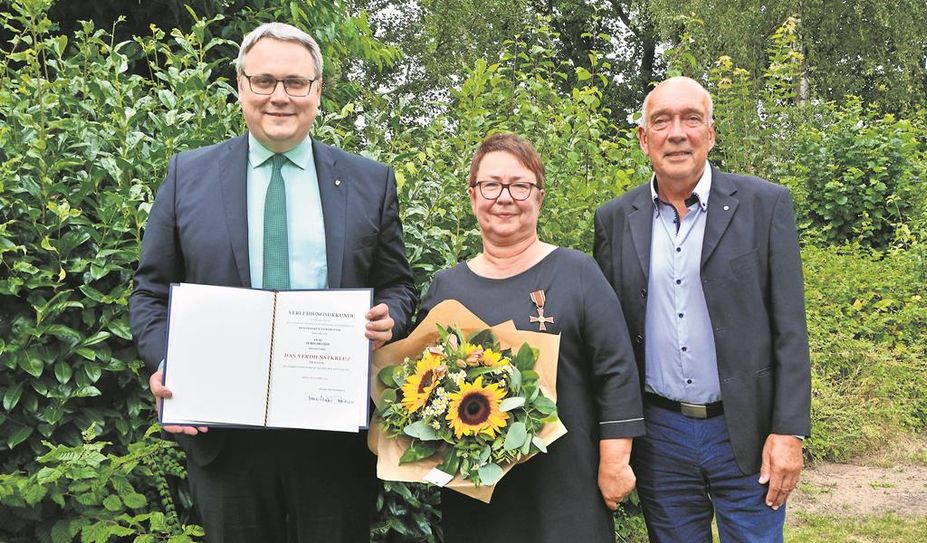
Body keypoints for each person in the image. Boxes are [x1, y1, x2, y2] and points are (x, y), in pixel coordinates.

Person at [129, 22, 416, 543]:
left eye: (295, 83)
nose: (279, 97)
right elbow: (150, 293)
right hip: (224, 433)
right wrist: (167, 362)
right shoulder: (186, 176)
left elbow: (398, 285)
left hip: (333, 434)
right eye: (264, 81)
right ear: (240, 86)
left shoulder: (370, 182)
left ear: (318, 91)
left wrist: (390, 317)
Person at [593, 76, 811, 542]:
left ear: (710, 134)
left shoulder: (764, 205)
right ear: (643, 137)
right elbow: (608, 341)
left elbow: (790, 329)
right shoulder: (614, 219)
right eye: (662, 121)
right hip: (660, 435)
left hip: (747, 433)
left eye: (691, 119)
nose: (677, 133)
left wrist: (788, 432)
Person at [419, 133, 644, 542]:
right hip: (476, 495)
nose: (504, 197)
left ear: (538, 197)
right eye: (490, 184)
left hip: (567, 485)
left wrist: (616, 459)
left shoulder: (577, 273)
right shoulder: (445, 289)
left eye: (519, 185)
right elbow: (421, 388)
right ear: (473, 197)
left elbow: (616, 371)